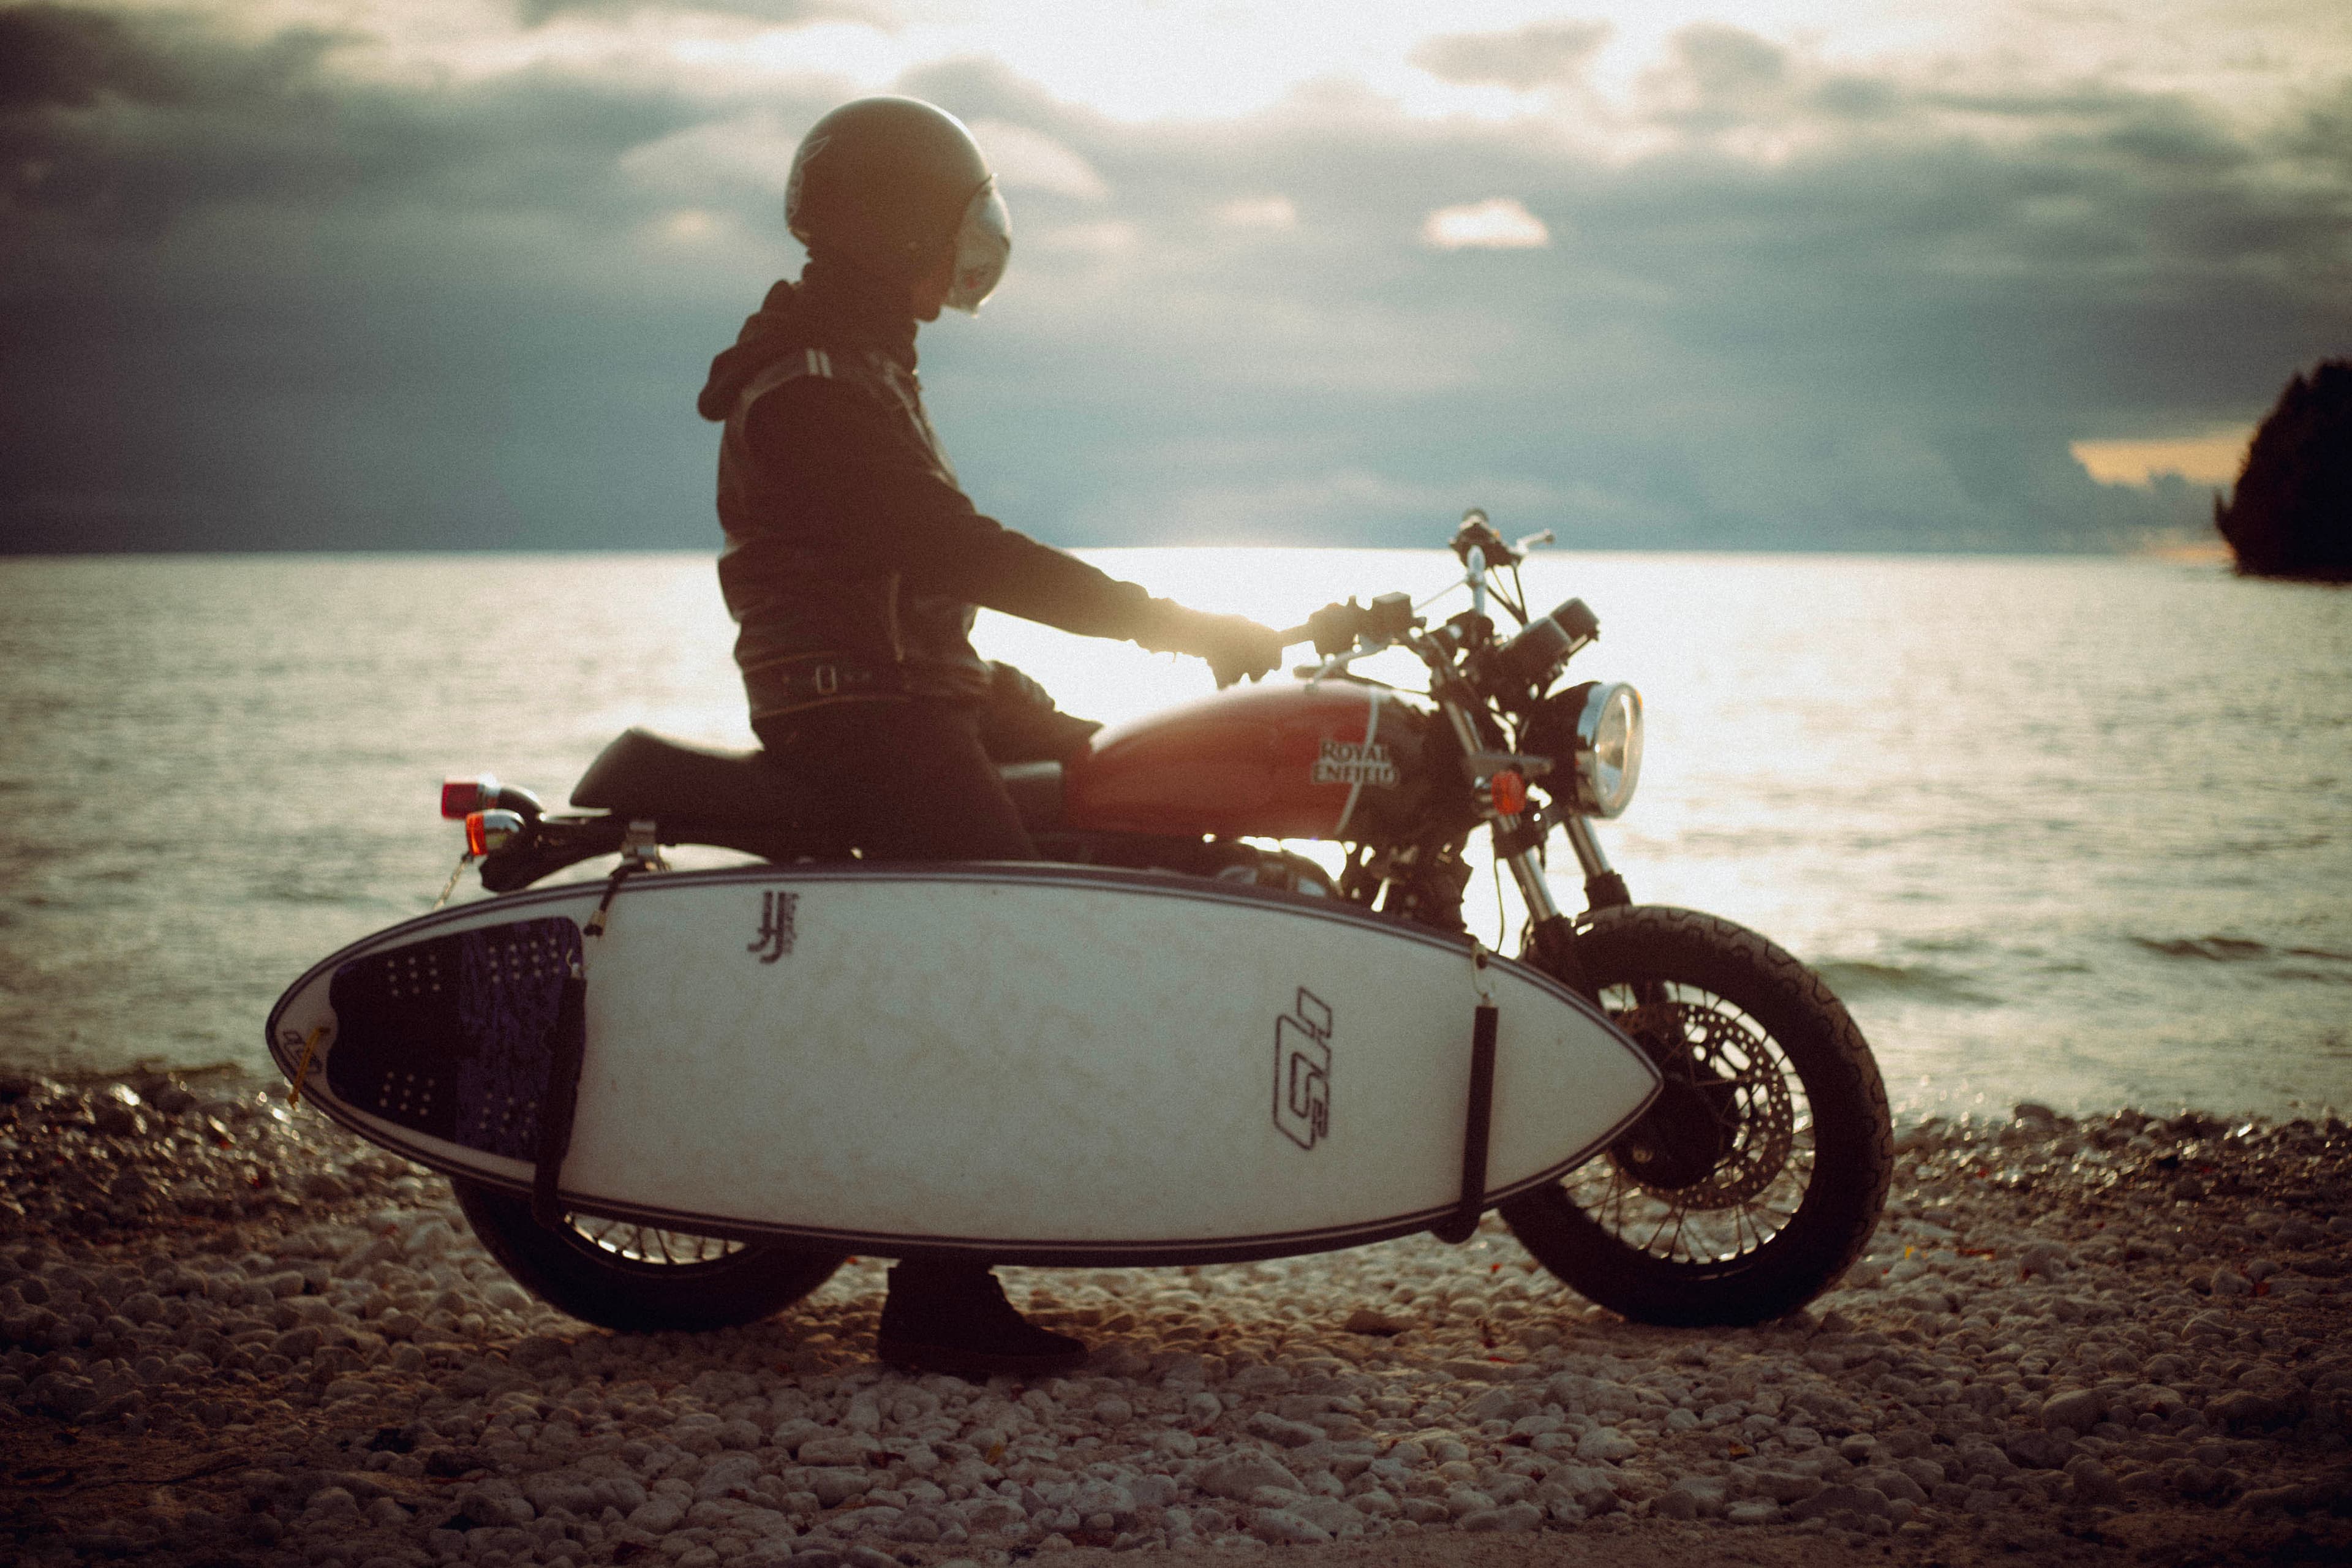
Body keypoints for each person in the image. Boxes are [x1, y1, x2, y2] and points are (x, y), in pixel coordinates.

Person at [694, 95, 1288, 1377]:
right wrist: (1170, 621)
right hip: (864, 709)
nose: (972, 258)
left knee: (1130, 788)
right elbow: (959, 550)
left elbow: (924, 579)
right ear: (897, 224)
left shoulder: (854, 360)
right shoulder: (812, 389)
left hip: (919, 685)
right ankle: (938, 1293)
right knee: (1009, 951)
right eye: (958, 227)